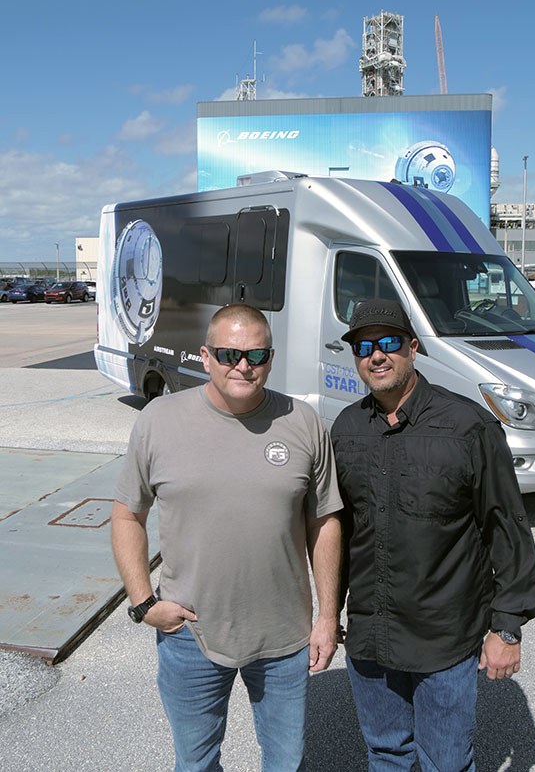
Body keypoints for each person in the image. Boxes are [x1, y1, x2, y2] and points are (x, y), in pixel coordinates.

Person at [111, 304, 343, 772]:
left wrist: (327, 617)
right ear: (205, 356)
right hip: (190, 633)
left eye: (256, 354)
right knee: (195, 763)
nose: (243, 365)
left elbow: (325, 523)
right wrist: (143, 603)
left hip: (285, 635)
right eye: (228, 353)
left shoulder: (303, 423)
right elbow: (126, 516)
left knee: (286, 761)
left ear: (270, 358)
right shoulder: (159, 420)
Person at [330, 299, 535, 772]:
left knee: (446, 761)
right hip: (371, 634)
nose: (376, 356)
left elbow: (506, 525)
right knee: (386, 753)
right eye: (364, 347)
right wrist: (327, 613)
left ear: (413, 347)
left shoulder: (468, 426)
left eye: (388, 343)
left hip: (442, 639)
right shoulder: (346, 429)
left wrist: (507, 626)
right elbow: (338, 532)